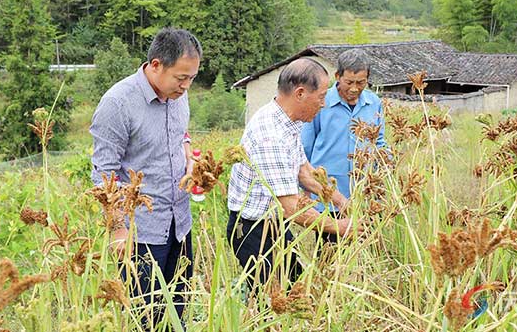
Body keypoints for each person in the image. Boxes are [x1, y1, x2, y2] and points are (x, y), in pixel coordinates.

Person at [90, 28, 202, 328]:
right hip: (141, 235)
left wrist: (190, 160)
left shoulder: (179, 95)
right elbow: (104, 174)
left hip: (180, 224)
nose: (187, 85)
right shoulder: (117, 103)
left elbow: (181, 134)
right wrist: (118, 232)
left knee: (177, 313)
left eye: (192, 78)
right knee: (145, 319)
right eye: (181, 78)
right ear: (155, 65)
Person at [227, 58, 358, 291]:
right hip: (253, 231)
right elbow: (291, 207)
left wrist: (341, 202)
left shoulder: (288, 122)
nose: (324, 105)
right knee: (273, 302)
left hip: (275, 224)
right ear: (300, 93)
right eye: (320, 97)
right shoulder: (271, 136)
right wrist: (339, 227)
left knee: (295, 289)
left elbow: (304, 171)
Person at [301, 48, 389, 244]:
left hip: (363, 196)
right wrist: (304, 186)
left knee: (364, 256)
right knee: (330, 258)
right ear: (337, 76)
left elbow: (379, 142)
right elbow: (305, 147)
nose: (355, 88)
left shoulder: (373, 103)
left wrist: (387, 166)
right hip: (329, 198)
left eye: (361, 83)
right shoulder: (320, 102)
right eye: (349, 82)